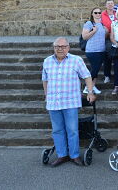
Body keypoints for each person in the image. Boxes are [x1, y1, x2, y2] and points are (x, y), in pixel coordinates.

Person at [42, 37, 95, 167]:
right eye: (57, 46)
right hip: (53, 102)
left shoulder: (76, 60)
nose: (60, 49)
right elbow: (45, 80)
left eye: (63, 46)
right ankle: (62, 155)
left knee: (72, 130)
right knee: (57, 130)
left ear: (68, 47)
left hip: (70, 102)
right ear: (53, 47)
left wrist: (90, 92)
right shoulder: (47, 61)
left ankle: (74, 155)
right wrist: (46, 95)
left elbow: (87, 76)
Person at [82, 7, 108, 93]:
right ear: (92, 14)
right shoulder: (89, 23)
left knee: (96, 69)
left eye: (99, 13)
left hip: (101, 50)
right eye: (95, 13)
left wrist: (106, 31)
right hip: (92, 51)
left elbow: (103, 37)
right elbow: (84, 37)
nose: (98, 14)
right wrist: (94, 31)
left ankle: (92, 86)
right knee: (94, 69)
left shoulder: (101, 24)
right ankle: (87, 87)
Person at [101, 0, 115, 84]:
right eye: (108, 3)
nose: (110, 5)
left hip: (117, 38)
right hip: (106, 38)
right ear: (106, 5)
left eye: (112, 3)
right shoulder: (102, 14)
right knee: (107, 57)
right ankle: (107, 75)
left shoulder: (116, 13)